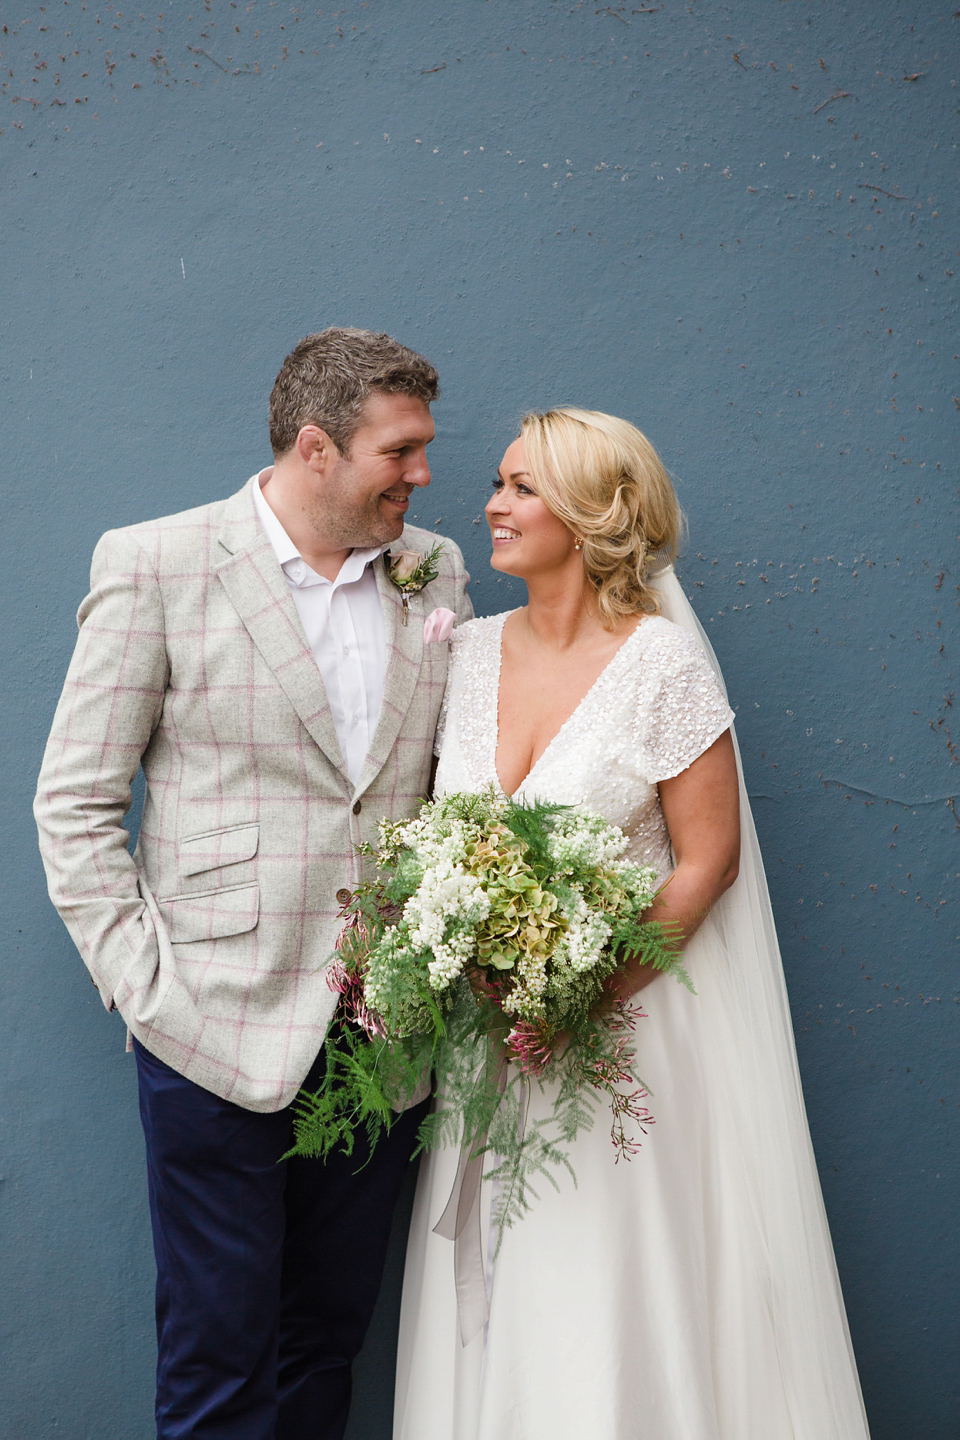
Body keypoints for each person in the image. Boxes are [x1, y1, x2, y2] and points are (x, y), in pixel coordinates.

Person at [394, 408, 870, 1440]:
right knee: (507, 1299)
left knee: (603, 1298)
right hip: (493, 1053)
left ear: (592, 511)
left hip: (621, 1050)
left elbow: (710, 858)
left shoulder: (661, 664)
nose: (493, 505)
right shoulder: (469, 653)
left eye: (522, 487)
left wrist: (581, 998)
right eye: (499, 482)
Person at [34, 327, 472, 1440]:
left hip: (386, 1031)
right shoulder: (158, 564)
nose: (423, 475)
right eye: (401, 451)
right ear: (316, 449)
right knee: (218, 1362)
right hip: (213, 1029)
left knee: (325, 1345)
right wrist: (147, 991)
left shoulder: (436, 570)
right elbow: (77, 805)